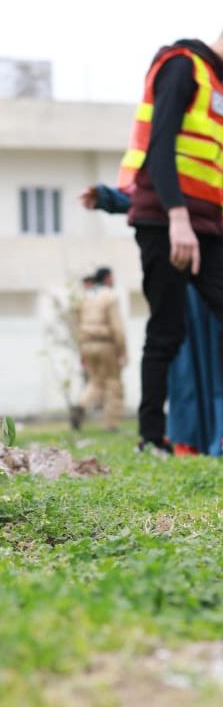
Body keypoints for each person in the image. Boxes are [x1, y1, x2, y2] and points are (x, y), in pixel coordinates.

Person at [117, 31, 223, 455]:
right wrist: (178, 219)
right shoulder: (183, 65)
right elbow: (160, 147)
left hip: (207, 224)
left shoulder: (217, 84)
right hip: (166, 220)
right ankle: (151, 438)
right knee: (166, 328)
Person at [81, 183, 223, 456]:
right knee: (186, 364)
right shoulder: (189, 176)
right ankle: (190, 438)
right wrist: (108, 198)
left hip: (209, 278)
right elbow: (155, 198)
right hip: (196, 279)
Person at [71, 266, 127, 431]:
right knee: (113, 383)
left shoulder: (85, 297)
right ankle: (111, 424)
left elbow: (77, 324)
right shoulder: (110, 296)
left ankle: (81, 405)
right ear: (107, 278)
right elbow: (117, 327)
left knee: (95, 381)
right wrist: (122, 350)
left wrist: (81, 350)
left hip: (86, 344)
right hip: (105, 344)